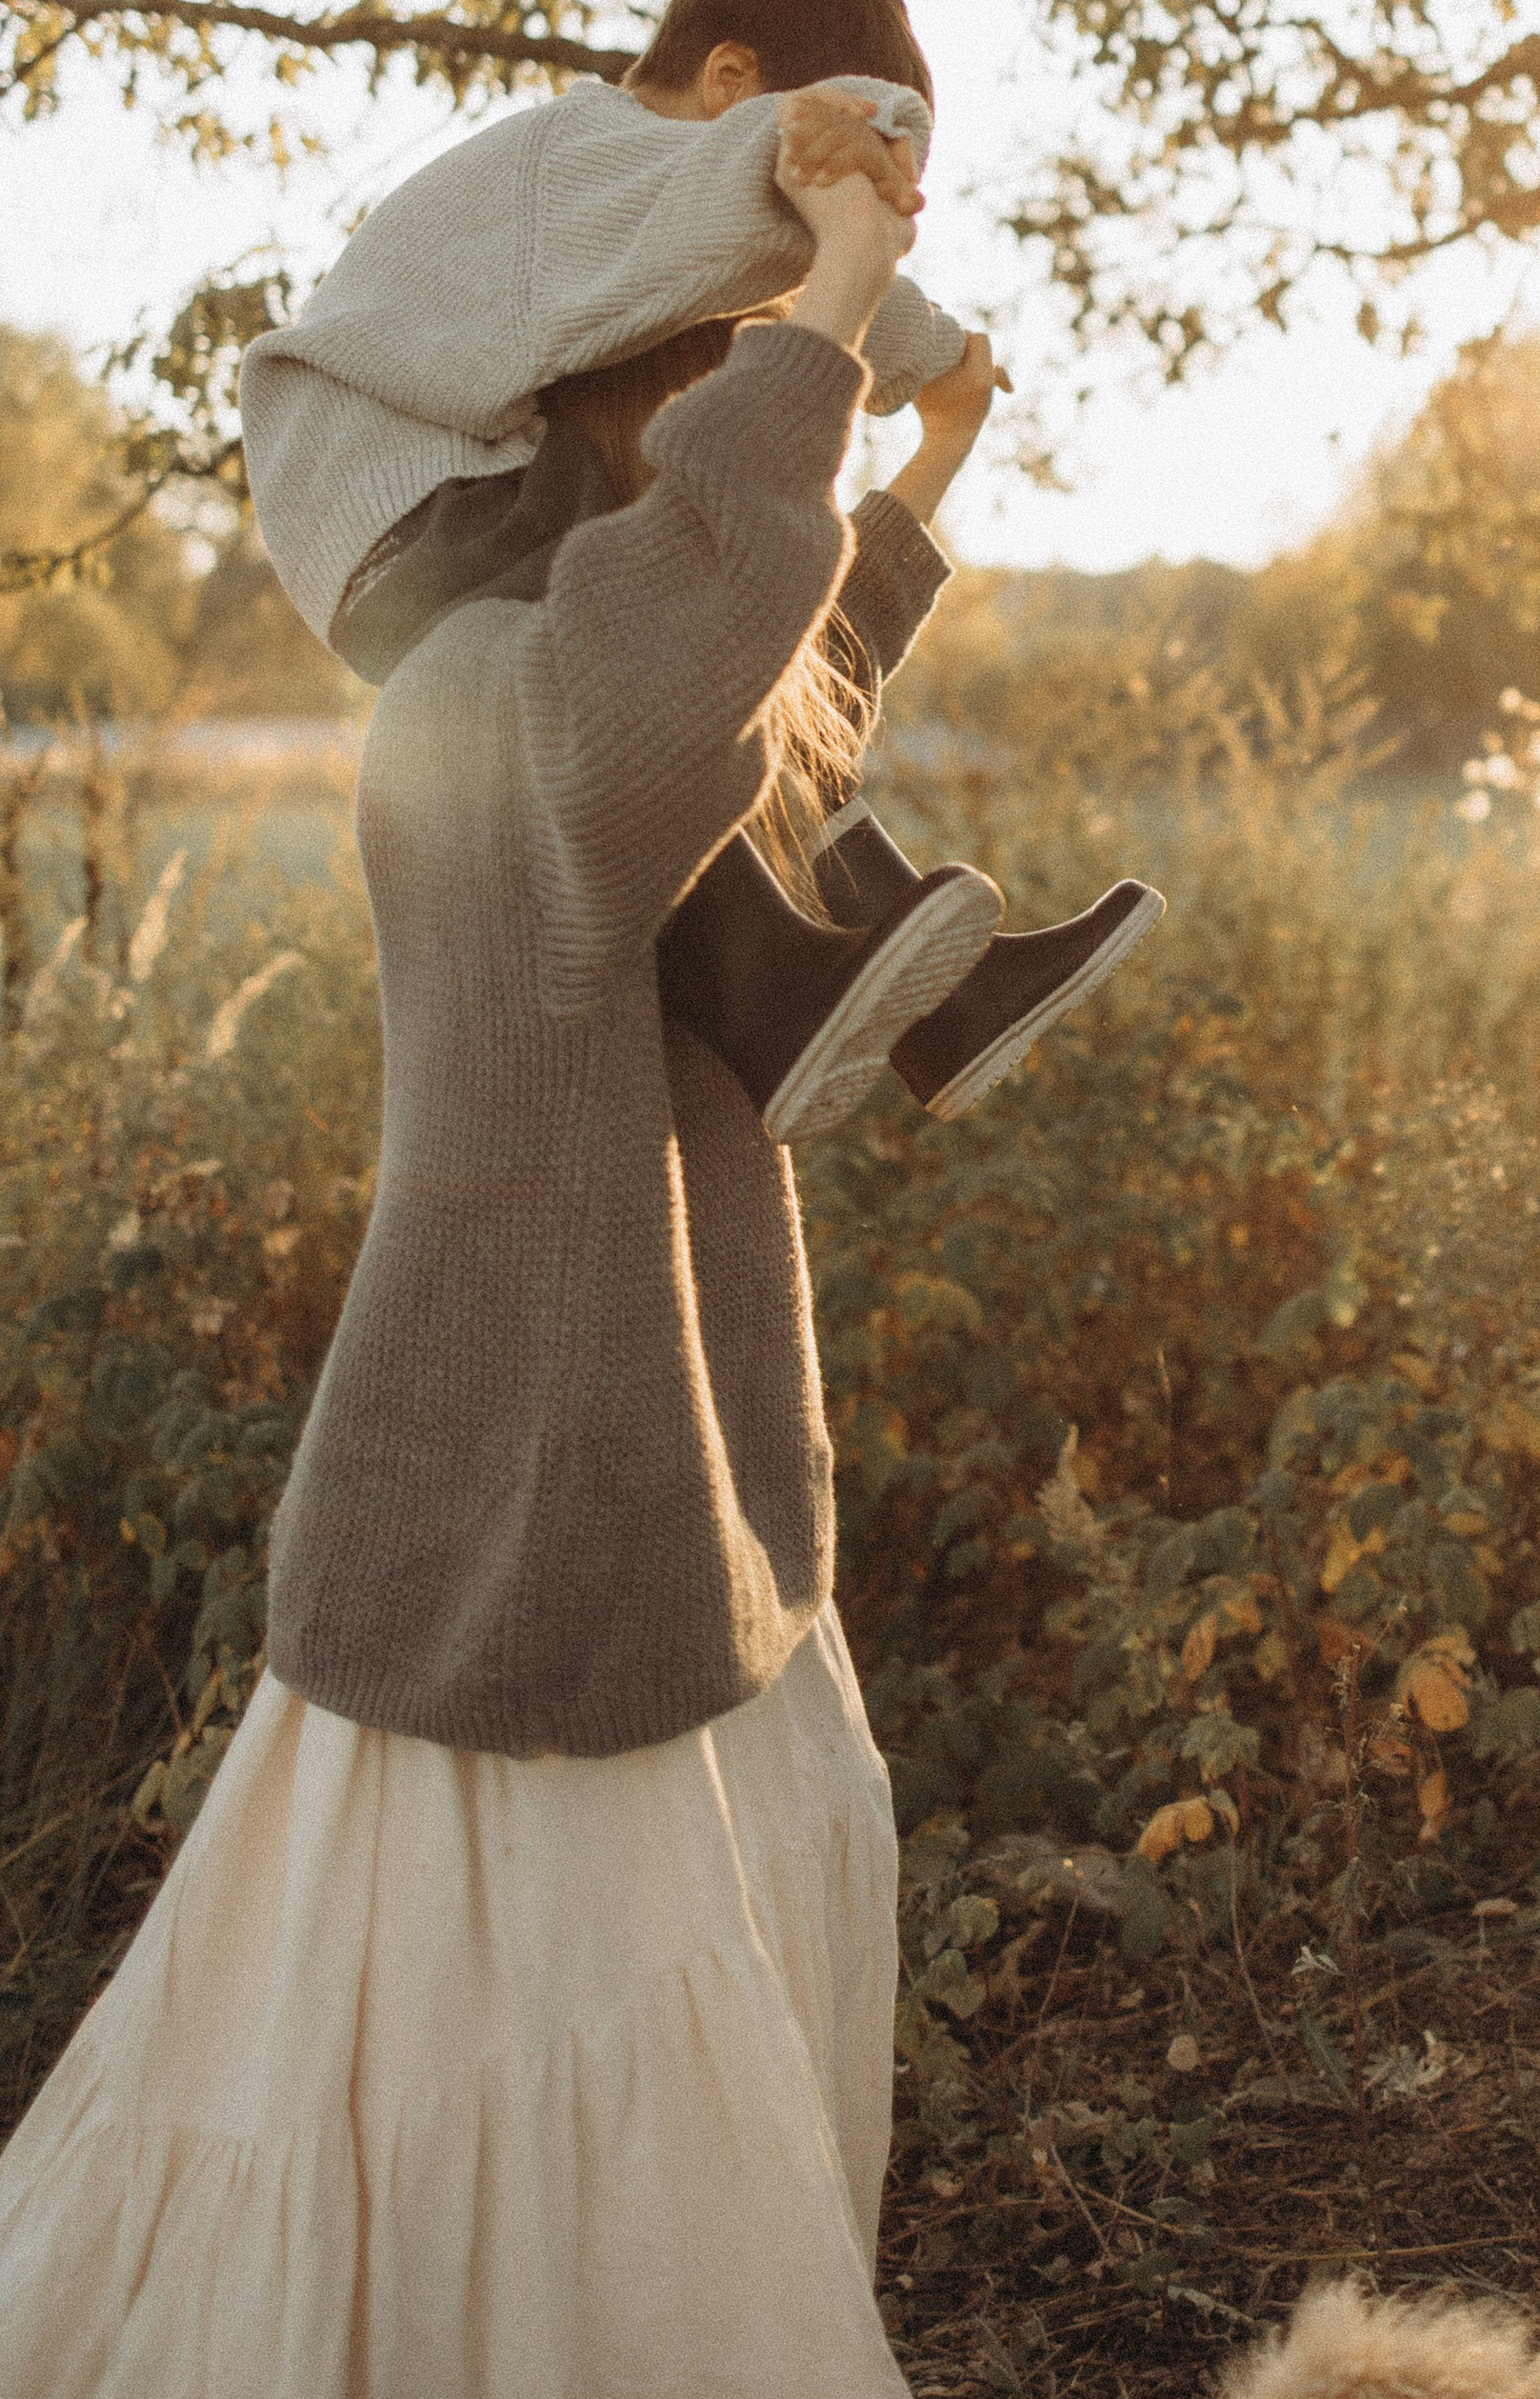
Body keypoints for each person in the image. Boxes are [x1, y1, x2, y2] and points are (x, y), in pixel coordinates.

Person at [0, 141, 933, 2394]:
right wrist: (837, 284)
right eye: (706, 375)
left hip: (636, 1490)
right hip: (525, 1503)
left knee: (596, 2006)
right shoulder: (497, 712)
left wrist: (918, 450)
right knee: (497, 2076)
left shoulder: (570, 699)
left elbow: (767, 654)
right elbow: (698, 627)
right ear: (626, 425)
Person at [237, 0, 1161, 1140]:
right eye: (848, 144)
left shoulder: (620, 286)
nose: (874, 186)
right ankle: (772, 989)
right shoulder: (569, 157)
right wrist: (913, 312)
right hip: (409, 516)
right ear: (729, 77)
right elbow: (764, 184)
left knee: (739, 651)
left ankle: (944, 1005)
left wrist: (942, 436)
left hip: (429, 537)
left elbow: (795, 640)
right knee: (689, 595)